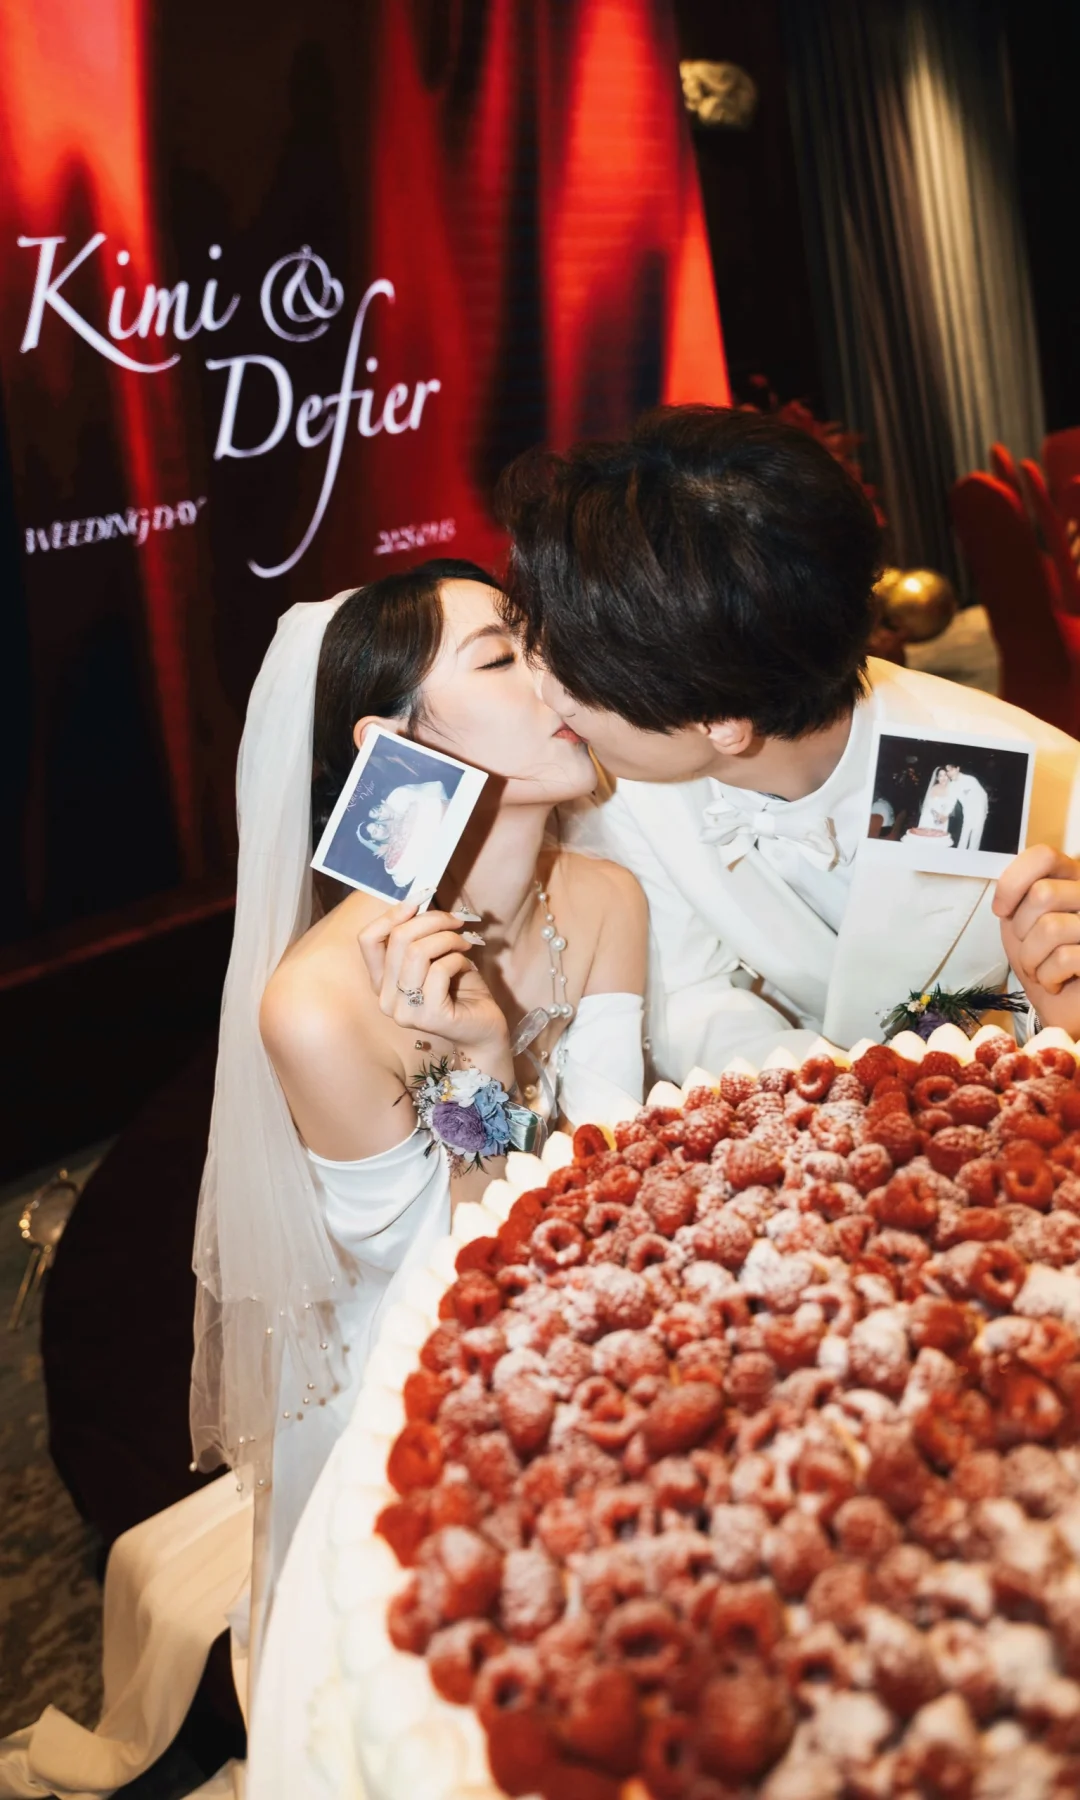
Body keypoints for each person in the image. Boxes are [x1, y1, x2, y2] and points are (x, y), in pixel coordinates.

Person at [192, 556, 648, 1668]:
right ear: (394, 743)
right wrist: (481, 1060)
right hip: (423, 1377)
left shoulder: (604, 898)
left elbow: (617, 1165)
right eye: (503, 658)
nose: (558, 675)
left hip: (601, 1294)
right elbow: (448, 1286)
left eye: (541, 642)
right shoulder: (316, 1006)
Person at [494, 405, 1080, 1074]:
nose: (544, 686)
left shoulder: (1047, 792)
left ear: (722, 723)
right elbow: (690, 992)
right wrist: (827, 1090)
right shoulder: (627, 774)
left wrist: (1059, 1020)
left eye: (575, 668)